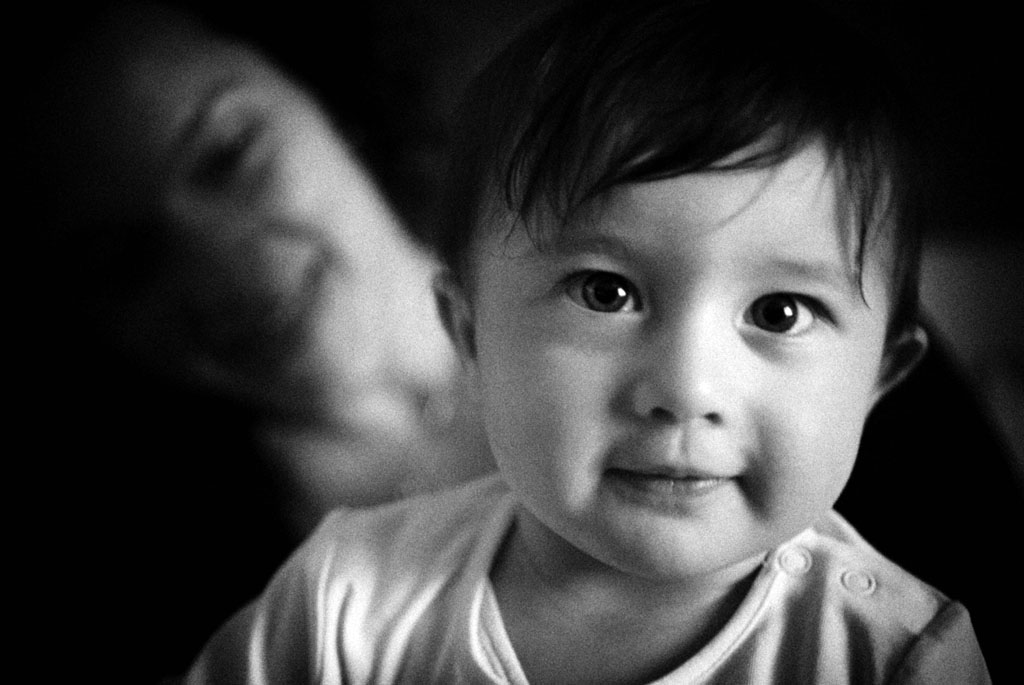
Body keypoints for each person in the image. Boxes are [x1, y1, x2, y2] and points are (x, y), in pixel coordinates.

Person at [183, 0, 992, 682]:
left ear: (881, 376)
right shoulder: (341, 603)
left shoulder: (897, 657)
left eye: (780, 312)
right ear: (470, 333)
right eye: (606, 293)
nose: (685, 388)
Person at [23, 2, 491, 681]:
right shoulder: (189, 615)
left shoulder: (596, 248)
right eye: (121, 261)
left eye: (226, 156)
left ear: (326, 96)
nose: (220, 272)